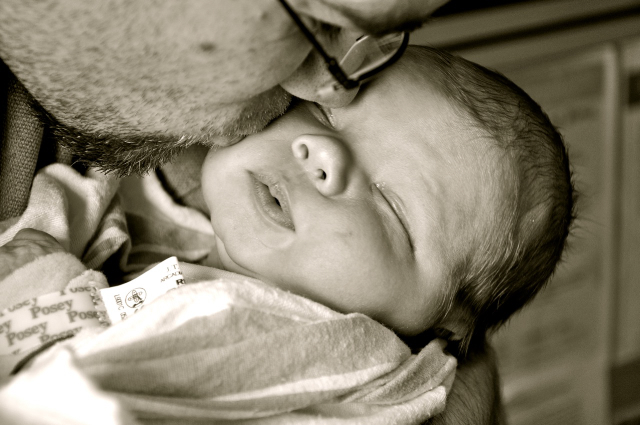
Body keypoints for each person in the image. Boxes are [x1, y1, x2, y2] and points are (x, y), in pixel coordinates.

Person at [0, 46, 573, 423]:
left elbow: (75, 394)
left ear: (444, 331)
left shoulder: (330, 349)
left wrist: (42, 280)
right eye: (324, 117)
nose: (320, 154)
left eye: (392, 206)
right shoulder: (148, 194)